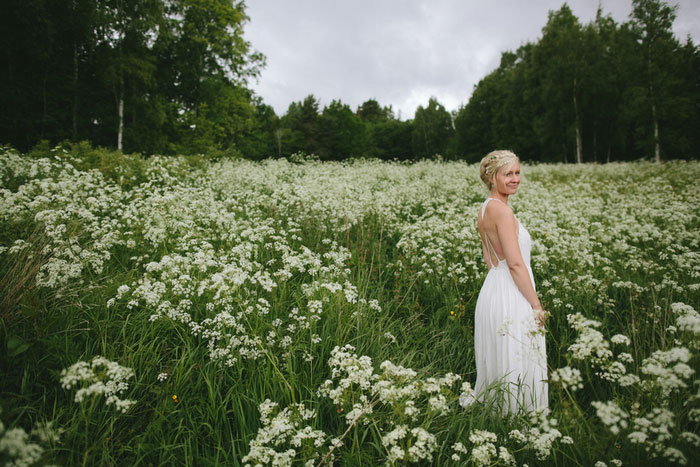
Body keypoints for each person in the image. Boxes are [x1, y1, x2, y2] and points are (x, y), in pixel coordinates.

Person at [460, 149, 548, 414]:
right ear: (491, 178)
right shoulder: (503, 213)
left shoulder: (485, 208)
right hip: (512, 291)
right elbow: (516, 263)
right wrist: (536, 305)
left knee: (502, 354)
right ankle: (518, 416)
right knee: (518, 354)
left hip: (493, 289)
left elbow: (489, 258)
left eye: (517, 173)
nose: (515, 179)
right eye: (507, 174)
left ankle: (499, 413)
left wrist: (500, 286)